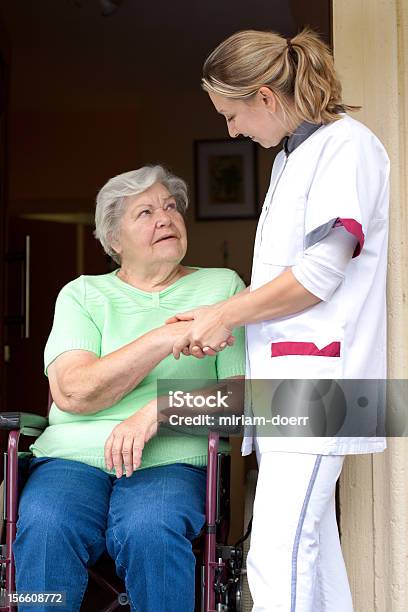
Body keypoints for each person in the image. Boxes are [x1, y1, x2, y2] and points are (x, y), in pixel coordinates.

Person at [166, 28, 389, 611]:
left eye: (232, 114)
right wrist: (222, 318)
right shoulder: (294, 157)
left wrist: (224, 313)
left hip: (323, 383)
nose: (231, 130)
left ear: (264, 97)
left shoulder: (347, 147)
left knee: (276, 552)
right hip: (291, 386)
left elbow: (320, 275)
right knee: (310, 564)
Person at [13, 165, 245, 612]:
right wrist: (162, 338)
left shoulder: (222, 287)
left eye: (171, 206)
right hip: (73, 459)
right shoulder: (83, 295)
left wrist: (158, 410)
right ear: (114, 240)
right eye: (144, 212)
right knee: (45, 521)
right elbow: (74, 391)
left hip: (174, 459)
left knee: (149, 525)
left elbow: (240, 399)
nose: (165, 218)